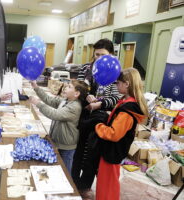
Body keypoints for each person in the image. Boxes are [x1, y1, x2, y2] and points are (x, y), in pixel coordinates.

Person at [72, 38, 121, 199]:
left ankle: (85, 185)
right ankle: (72, 180)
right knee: (78, 148)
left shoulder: (115, 71)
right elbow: (78, 88)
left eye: (102, 55)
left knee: (92, 152)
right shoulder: (86, 67)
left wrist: (100, 104)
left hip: (100, 117)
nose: (98, 58)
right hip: (83, 113)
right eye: (96, 55)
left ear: (111, 55)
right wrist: (86, 97)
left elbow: (116, 98)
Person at [95, 68, 148, 200]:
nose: (116, 85)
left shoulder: (128, 109)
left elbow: (114, 134)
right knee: (107, 183)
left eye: (118, 83)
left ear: (127, 84)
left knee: (107, 186)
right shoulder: (126, 102)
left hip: (113, 151)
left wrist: (98, 126)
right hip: (113, 151)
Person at [29, 80, 89, 174]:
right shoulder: (66, 100)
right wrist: (36, 87)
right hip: (59, 142)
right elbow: (49, 100)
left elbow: (54, 114)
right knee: (58, 168)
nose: (65, 88)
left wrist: (38, 104)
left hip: (66, 146)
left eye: (69, 87)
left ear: (76, 93)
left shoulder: (74, 107)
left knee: (65, 171)